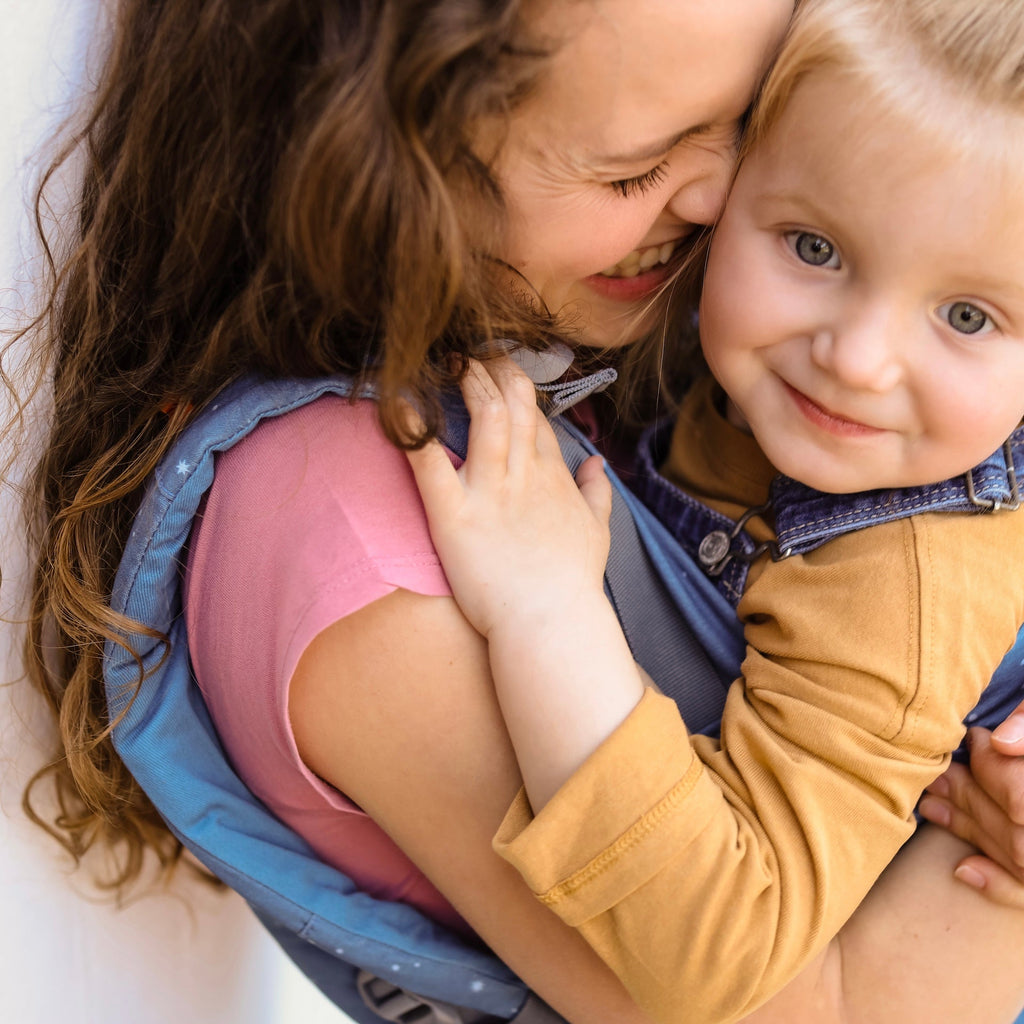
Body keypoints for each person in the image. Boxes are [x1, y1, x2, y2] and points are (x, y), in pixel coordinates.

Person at [7, 1, 1024, 1023]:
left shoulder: (857, 477)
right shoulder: (343, 518)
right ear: (385, 147)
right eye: (633, 167)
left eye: (746, 121)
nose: (722, 195)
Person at [406, 0, 1024, 1020]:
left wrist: (547, 614)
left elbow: (724, 947)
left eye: (967, 316)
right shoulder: (722, 353)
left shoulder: (905, 579)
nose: (857, 358)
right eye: (813, 248)